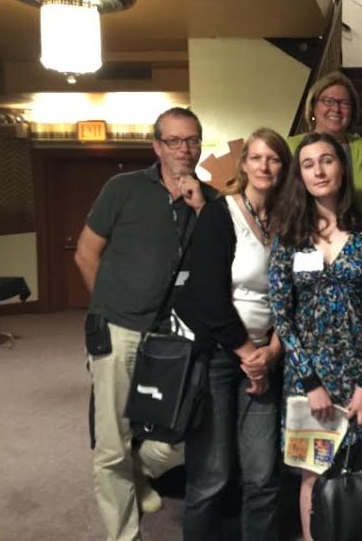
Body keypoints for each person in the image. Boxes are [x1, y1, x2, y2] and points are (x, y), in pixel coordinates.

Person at [74, 107, 215, 541]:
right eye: (174, 140)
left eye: (191, 140)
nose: (184, 149)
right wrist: (111, 307)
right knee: (112, 441)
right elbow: (86, 253)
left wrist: (203, 208)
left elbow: (217, 265)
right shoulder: (123, 188)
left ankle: (137, 474)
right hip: (118, 328)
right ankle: (125, 535)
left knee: (178, 435)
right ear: (157, 146)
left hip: (172, 337)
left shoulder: (208, 199)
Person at [268, 132, 362, 541]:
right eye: (308, 164)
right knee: (313, 476)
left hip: (360, 378)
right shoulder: (289, 234)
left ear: (342, 166)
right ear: (299, 175)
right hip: (309, 380)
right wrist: (310, 384)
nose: (319, 170)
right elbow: (281, 316)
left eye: (327, 160)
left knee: (357, 475)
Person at [174, 128, 290, 540]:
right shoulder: (221, 214)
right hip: (222, 358)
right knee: (211, 476)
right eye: (256, 157)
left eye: (273, 159)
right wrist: (248, 354)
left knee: (262, 476)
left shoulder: (286, 222)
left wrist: (270, 353)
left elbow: (290, 297)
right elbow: (207, 297)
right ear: (243, 165)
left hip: (266, 357)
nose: (264, 166)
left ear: (282, 167)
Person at [286, 71, 362, 213]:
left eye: (345, 103)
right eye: (328, 101)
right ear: (313, 107)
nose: (336, 109)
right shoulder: (290, 147)